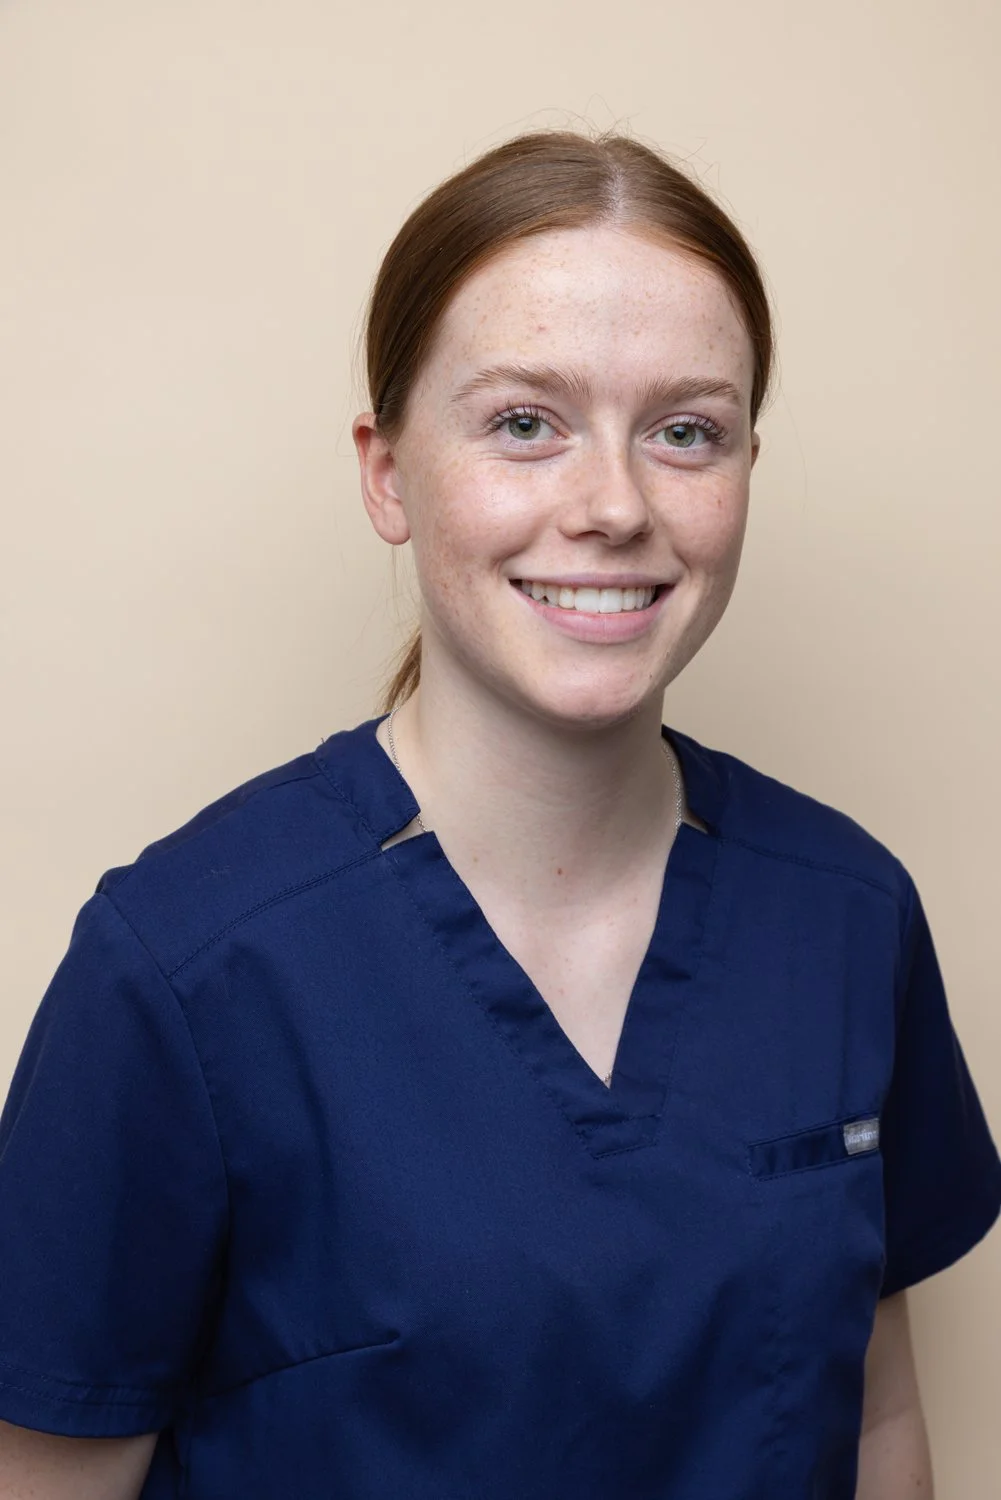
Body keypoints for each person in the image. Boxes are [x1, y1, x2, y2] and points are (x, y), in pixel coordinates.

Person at [0, 128, 998, 1500]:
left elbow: (879, 1425)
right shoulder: (180, 969)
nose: (615, 506)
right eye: (526, 423)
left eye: (686, 431)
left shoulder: (845, 915)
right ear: (387, 474)